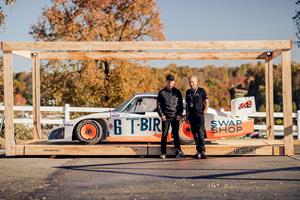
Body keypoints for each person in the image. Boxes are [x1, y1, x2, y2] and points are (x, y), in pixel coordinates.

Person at [157, 74, 185, 159]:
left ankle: (178, 152)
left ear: (174, 82)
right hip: (166, 117)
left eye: (172, 81)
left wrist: (179, 115)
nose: (170, 83)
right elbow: (158, 105)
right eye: (168, 81)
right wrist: (162, 115)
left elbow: (181, 105)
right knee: (164, 135)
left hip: (175, 117)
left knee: (176, 135)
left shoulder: (178, 92)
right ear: (166, 82)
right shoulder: (162, 92)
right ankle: (163, 153)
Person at [185, 76, 209, 159]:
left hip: (199, 115)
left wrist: (204, 112)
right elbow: (187, 105)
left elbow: (206, 102)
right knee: (195, 134)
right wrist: (187, 116)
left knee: (200, 133)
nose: (191, 84)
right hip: (191, 116)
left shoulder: (201, 91)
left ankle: (202, 152)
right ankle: (198, 151)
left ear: (196, 82)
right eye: (190, 82)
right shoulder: (188, 92)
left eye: (193, 82)